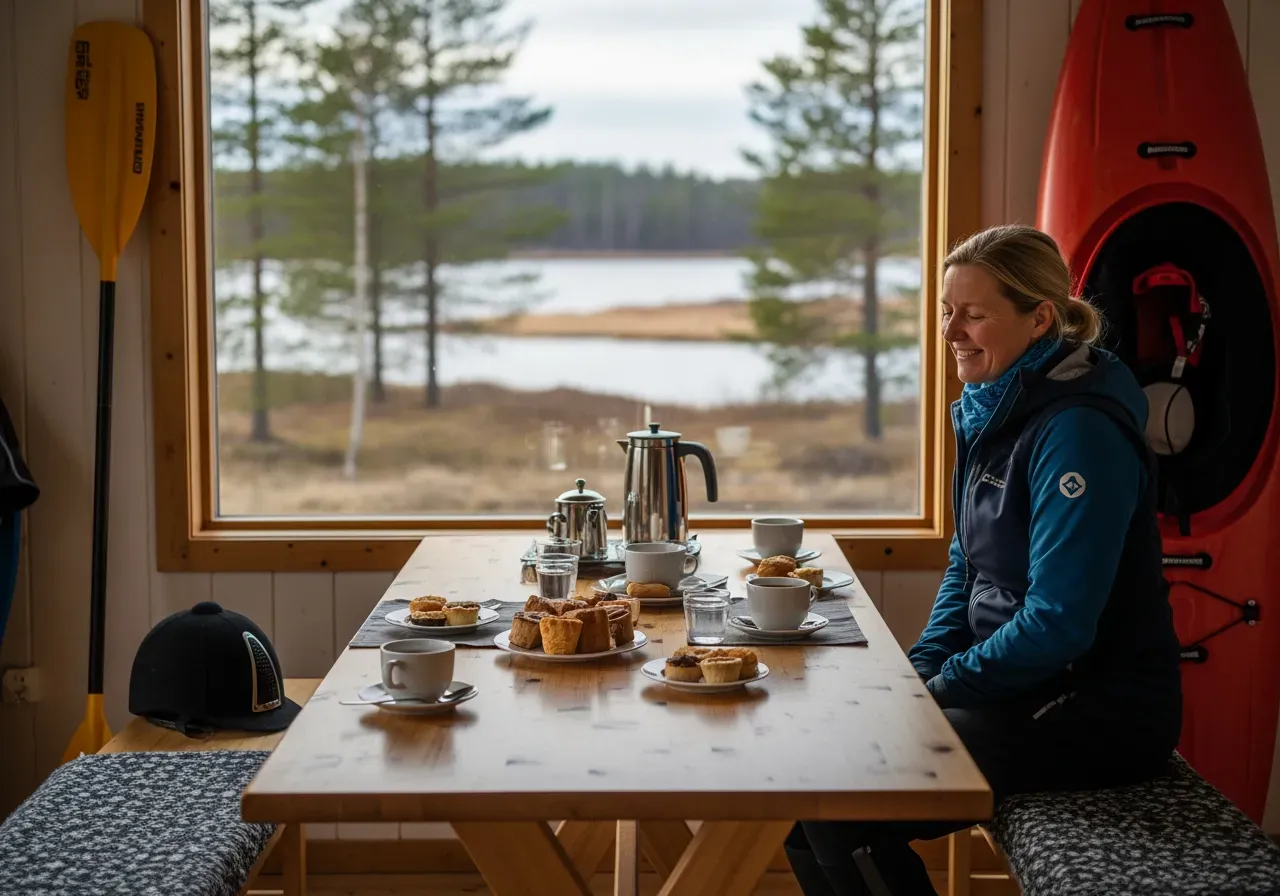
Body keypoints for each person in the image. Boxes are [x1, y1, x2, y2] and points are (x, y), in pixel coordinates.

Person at [785, 224, 1183, 895]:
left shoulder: (1077, 432)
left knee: (844, 808)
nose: (950, 333)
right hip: (1019, 686)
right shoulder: (993, 404)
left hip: (1097, 706)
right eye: (946, 310)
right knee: (816, 805)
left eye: (974, 314)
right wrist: (919, 675)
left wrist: (939, 692)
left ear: (1040, 318)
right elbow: (966, 566)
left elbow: (1059, 624)